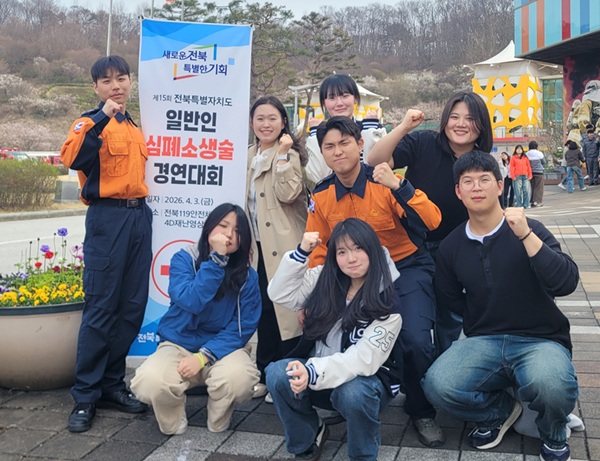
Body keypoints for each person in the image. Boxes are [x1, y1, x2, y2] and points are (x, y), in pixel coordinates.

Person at [422, 150, 579, 461]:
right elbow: (451, 299)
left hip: (540, 339)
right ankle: (500, 412)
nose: (476, 188)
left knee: (551, 383)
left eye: (484, 180)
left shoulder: (529, 228)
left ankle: (553, 433)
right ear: (458, 191)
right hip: (484, 340)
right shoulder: (452, 246)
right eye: (468, 182)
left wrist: (526, 235)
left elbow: (566, 282)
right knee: (438, 384)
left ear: (499, 185)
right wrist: (479, 322)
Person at [306, 116, 445, 447]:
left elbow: (433, 220)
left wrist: (399, 186)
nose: (338, 151)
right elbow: (319, 250)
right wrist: (312, 300)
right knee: (336, 334)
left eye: (344, 143)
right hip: (353, 276)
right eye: (329, 146)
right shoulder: (322, 194)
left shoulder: (383, 179)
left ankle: (420, 410)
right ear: (322, 153)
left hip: (405, 266)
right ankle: (347, 398)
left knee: (415, 340)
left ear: (359, 144)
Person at [60, 55, 152, 433]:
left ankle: (112, 384)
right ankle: (85, 395)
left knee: (131, 307)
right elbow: (72, 157)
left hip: (139, 217)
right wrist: (101, 116)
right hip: (107, 219)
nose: (116, 86)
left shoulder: (134, 127)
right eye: (107, 81)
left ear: (130, 82)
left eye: (122, 79)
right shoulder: (89, 122)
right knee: (100, 307)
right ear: (96, 87)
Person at [367, 91, 493, 354]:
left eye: (470, 118)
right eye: (454, 117)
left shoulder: (483, 162)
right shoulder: (423, 142)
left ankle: (446, 370)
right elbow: (375, 160)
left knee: (451, 316)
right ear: (445, 120)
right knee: (415, 320)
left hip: (460, 250)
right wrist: (403, 127)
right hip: (414, 248)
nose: (461, 124)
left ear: (481, 125)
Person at [266, 219, 403, 461]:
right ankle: (308, 438)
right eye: (342, 252)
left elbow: (363, 359)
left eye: (358, 248)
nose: (351, 258)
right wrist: (301, 253)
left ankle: (363, 455)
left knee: (353, 393)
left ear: (373, 250)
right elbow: (279, 293)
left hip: (365, 385)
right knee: (277, 374)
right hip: (317, 375)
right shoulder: (325, 278)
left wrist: (312, 371)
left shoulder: (387, 301)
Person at [130, 203, 261, 435]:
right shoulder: (184, 259)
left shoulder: (247, 276)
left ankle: (218, 417)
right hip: (178, 345)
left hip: (222, 349)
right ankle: (173, 419)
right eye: (223, 226)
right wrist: (217, 261)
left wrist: (203, 357)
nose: (229, 235)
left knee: (240, 379)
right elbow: (192, 300)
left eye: (237, 231)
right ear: (209, 227)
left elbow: (243, 327)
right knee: (150, 380)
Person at [246, 96, 308, 394]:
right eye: (260, 118)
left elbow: (288, 194)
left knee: (287, 312)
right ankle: (264, 374)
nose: (266, 124)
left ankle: (285, 378)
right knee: (264, 310)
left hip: (285, 246)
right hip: (256, 246)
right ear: (251, 123)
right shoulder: (247, 155)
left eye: (272, 118)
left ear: (284, 122)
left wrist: (282, 155)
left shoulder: (290, 155)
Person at [304, 74, 387, 185]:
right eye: (332, 98)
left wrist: (370, 131)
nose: (339, 103)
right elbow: (318, 176)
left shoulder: (373, 129)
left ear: (355, 98)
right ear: (324, 103)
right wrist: (315, 135)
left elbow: (378, 168)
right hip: (334, 194)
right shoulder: (319, 134)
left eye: (345, 96)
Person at [526, 141, 545, 207]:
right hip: (539, 172)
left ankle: (531, 201)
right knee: (539, 187)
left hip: (530, 173)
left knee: (531, 187)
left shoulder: (527, 154)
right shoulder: (539, 153)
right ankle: (537, 201)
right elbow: (544, 162)